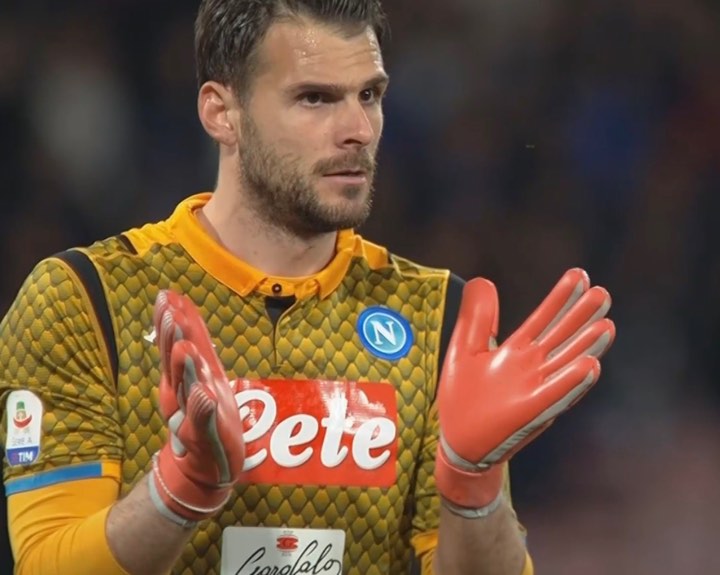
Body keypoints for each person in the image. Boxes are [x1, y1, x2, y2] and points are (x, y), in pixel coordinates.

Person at [0, 1, 616, 574]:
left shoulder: (437, 318)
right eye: (315, 98)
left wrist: (472, 488)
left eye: (370, 95)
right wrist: (176, 493)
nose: (359, 129)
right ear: (221, 113)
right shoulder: (86, 300)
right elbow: (46, 561)